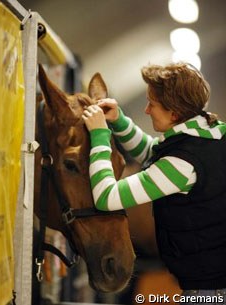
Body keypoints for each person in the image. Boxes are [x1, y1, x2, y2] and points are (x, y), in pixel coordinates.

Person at [82, 62, 226, 304]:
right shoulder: (208, 134)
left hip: (209, 290)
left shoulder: (182, 164)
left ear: (174, 114)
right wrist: (118, 121)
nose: (147, 110)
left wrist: (99, 135)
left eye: (153, 104)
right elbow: (153, 154)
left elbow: (107, 198)